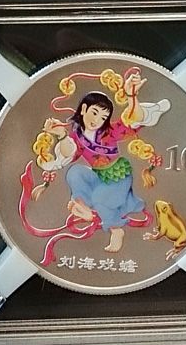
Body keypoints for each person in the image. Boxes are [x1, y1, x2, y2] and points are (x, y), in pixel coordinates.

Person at [40, 71, 154, 253]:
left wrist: (131, 95)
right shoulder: (77, 136)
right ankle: (85, 207)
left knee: (101, 197)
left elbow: (134, 119)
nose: (96, 120)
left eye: (103, 117)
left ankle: (116, 229)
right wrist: (61, 135)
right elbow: (68, 152)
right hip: (99, 176)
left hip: (118, 176)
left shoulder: (109, 132)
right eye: (94, 113)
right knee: (74, 173)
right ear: (83, 109)